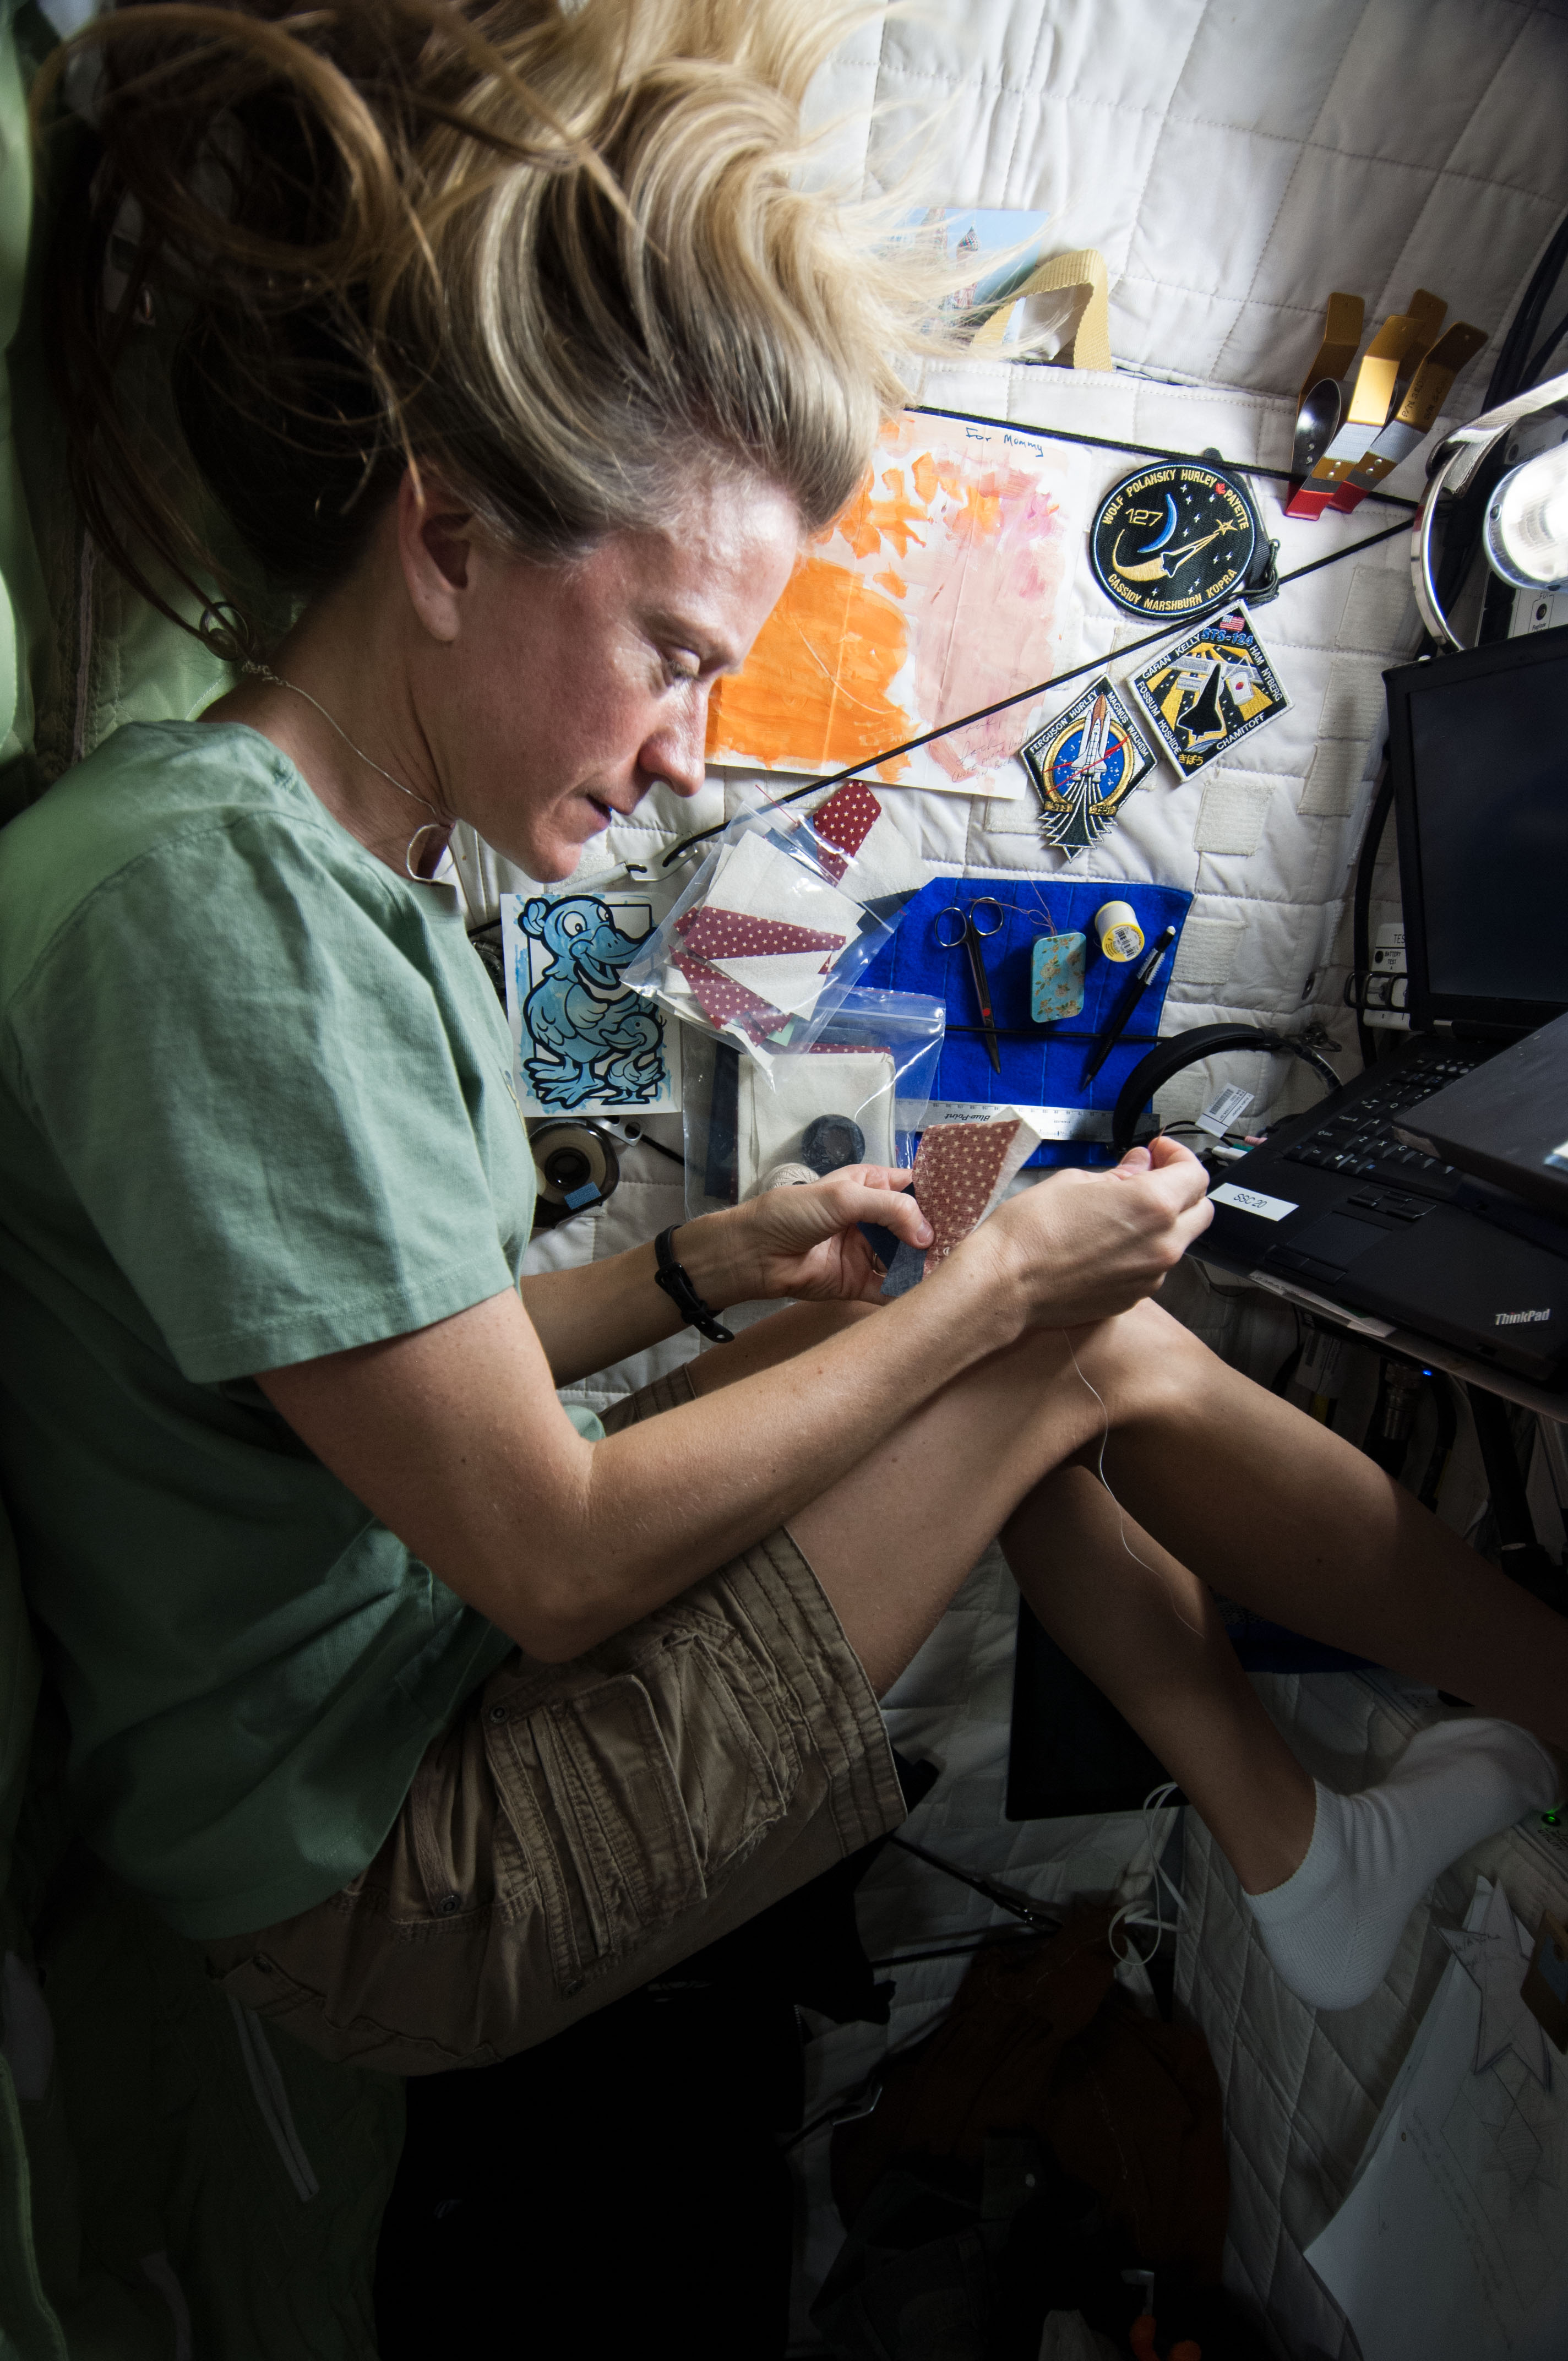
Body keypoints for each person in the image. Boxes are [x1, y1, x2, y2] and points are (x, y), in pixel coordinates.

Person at [0, 0, 1560, 2077]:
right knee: (1041, 1327)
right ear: (448, 537)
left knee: (959, 1309)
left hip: (427, 1665)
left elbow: (395, 1371)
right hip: (389, 1873)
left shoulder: (334, 879)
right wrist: (1000, 1286)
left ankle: (1300, 1851)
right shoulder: (213, 911)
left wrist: (702, 1267)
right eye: (673, 653)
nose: (685, 754)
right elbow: (550, 1558)